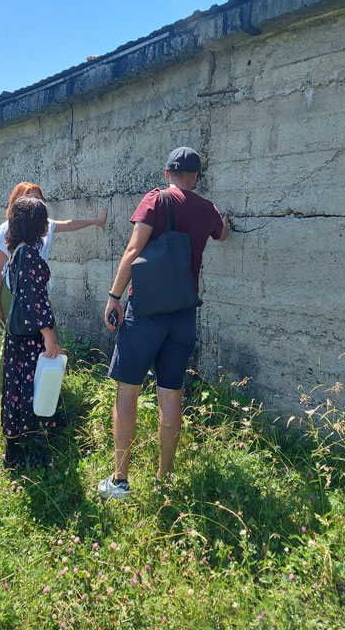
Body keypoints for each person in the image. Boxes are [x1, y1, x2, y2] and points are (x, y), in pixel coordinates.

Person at [98, 147, 230, 500]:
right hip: (184, 313)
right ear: (196, 176)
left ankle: (120, 481)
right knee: (171, 394)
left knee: (128, 390)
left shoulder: (156, 200)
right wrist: (221, 217)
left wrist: (114, 296)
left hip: (146, 312)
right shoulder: (207, 209)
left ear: (167, 172)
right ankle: (164, 479)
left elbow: (133, 249)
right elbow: (223, 234)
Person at [0, 182, 108, 327]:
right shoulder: (5, 230)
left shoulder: (45, 225)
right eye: (31, 198)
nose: (36, 202)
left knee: (33, 340)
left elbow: (69, 224)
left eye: (40, 199)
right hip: (14, 292)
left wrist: (96, 221)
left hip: (37, 290)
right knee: (28, 336)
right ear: (18, 202)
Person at [1, 196, 61, 470]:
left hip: (18, 335)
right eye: (42, 219)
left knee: (17, 387)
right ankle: (23, 450)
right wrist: (48, 333)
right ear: (32, 224)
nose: (47, 223)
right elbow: (32, 298)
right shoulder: (29, 255)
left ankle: (16, 447)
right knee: (32, 386)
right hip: (29, 337)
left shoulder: (17, 250)